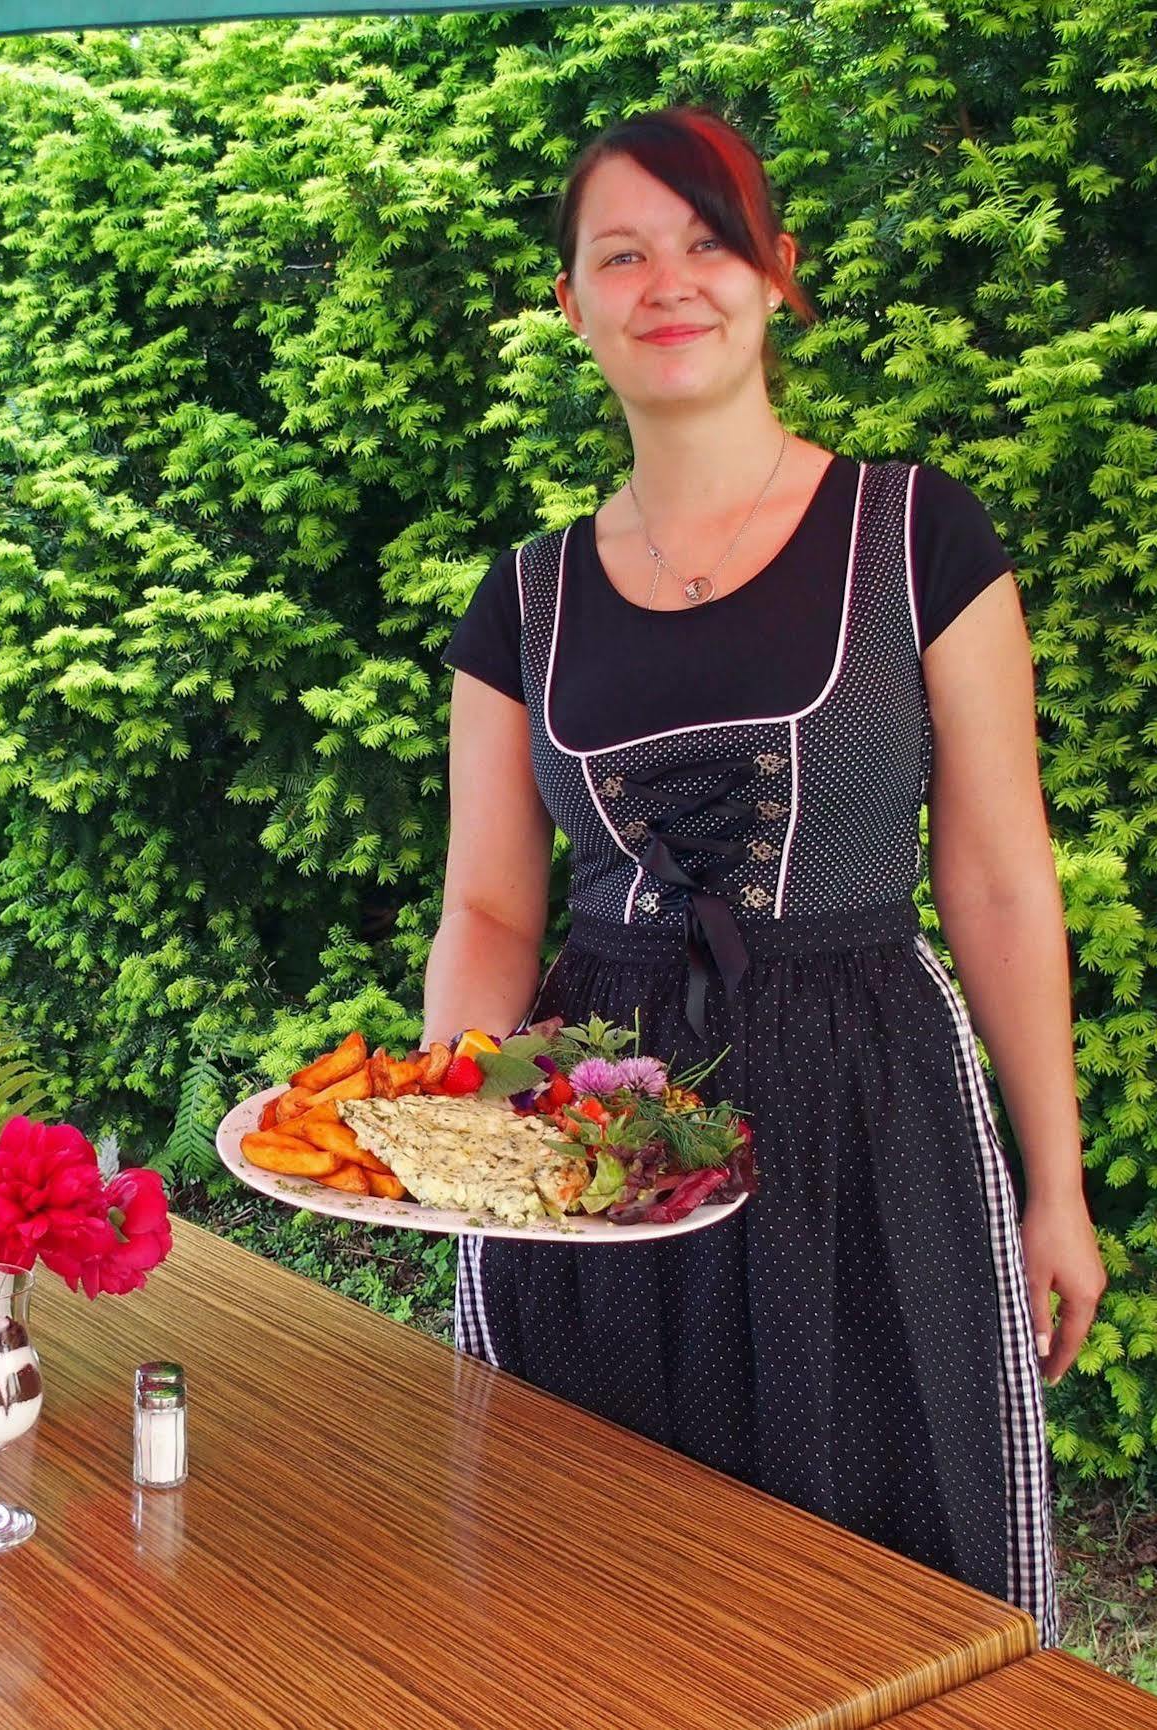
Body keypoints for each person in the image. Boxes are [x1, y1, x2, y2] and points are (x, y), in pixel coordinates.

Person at [424, 107, 1103, 1640]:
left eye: (707, 241)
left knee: (885, 1553)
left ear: (774, 273)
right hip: (585, 1135)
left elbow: (996, 877)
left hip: (865, 1105)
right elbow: (486, 907)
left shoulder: (913, 531)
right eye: (621, 254)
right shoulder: (518, 602)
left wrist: (1051, 1185)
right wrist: (458, 1132)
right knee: (591, 1571)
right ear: (570, 305)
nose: (668, 282)